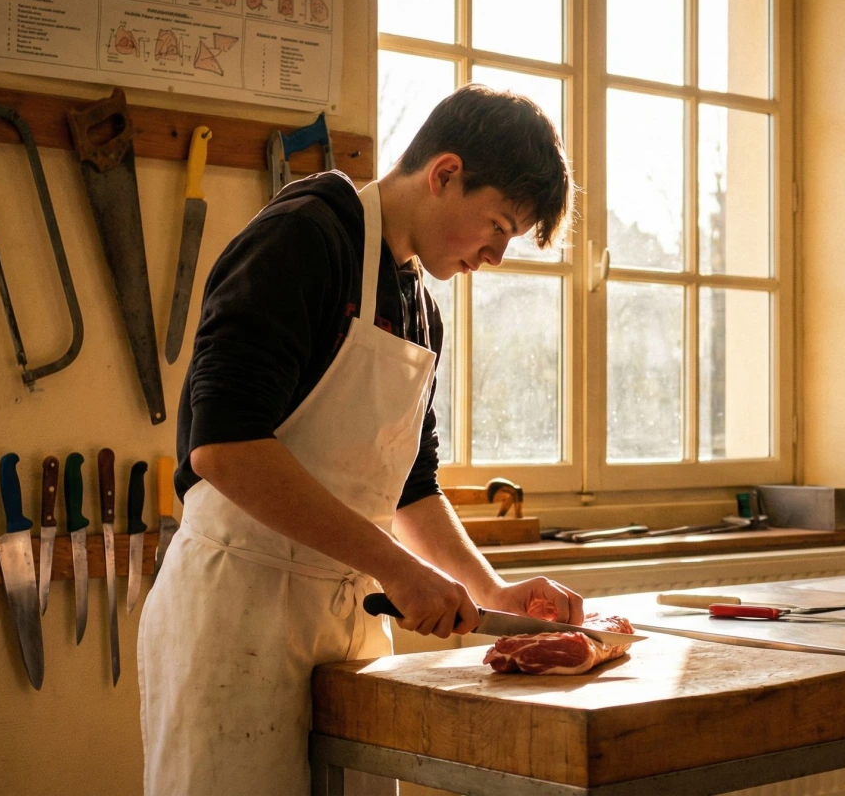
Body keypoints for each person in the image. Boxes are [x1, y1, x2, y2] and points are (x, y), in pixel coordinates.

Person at [138, 84, 579, 795]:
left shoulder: (417, 307)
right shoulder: (306, 237)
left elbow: (410, 486)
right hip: (237, 610)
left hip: (345, 623)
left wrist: (488, 588)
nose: (494, 256)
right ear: (444, 174)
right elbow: (224, 446)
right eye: (496, 226)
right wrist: (400, 571)